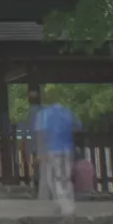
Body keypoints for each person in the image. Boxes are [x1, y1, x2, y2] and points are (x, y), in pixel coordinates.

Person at [30, 88, 79, 216]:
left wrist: (40, 152)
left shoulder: (43, 114)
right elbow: (77, 127)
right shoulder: (68, 112)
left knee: (53, 178)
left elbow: (41, 134)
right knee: (65, 178)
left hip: (51, 150)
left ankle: (64, 206)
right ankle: (67, 203)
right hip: (67, 149)